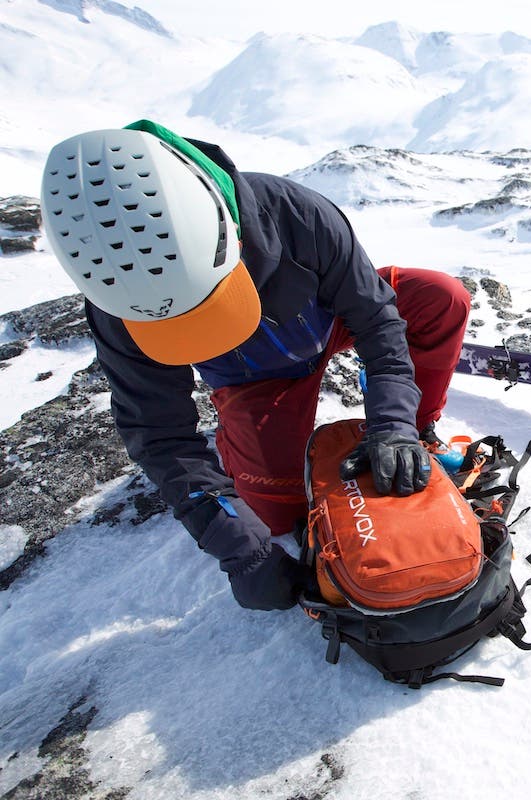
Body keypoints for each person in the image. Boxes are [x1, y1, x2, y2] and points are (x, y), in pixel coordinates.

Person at [39, 120, 471, 611]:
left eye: (210, 304)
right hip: (256, 379)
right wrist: (241, 550)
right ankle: (241, 442)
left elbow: (376, 320)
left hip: (329, 322)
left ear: (229, 237)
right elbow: (158, 433)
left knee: (441, 297)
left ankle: (417, 429)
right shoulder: (117, 303)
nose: (203, 326)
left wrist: (393, 425)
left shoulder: (295, 213)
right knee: (273, 514)